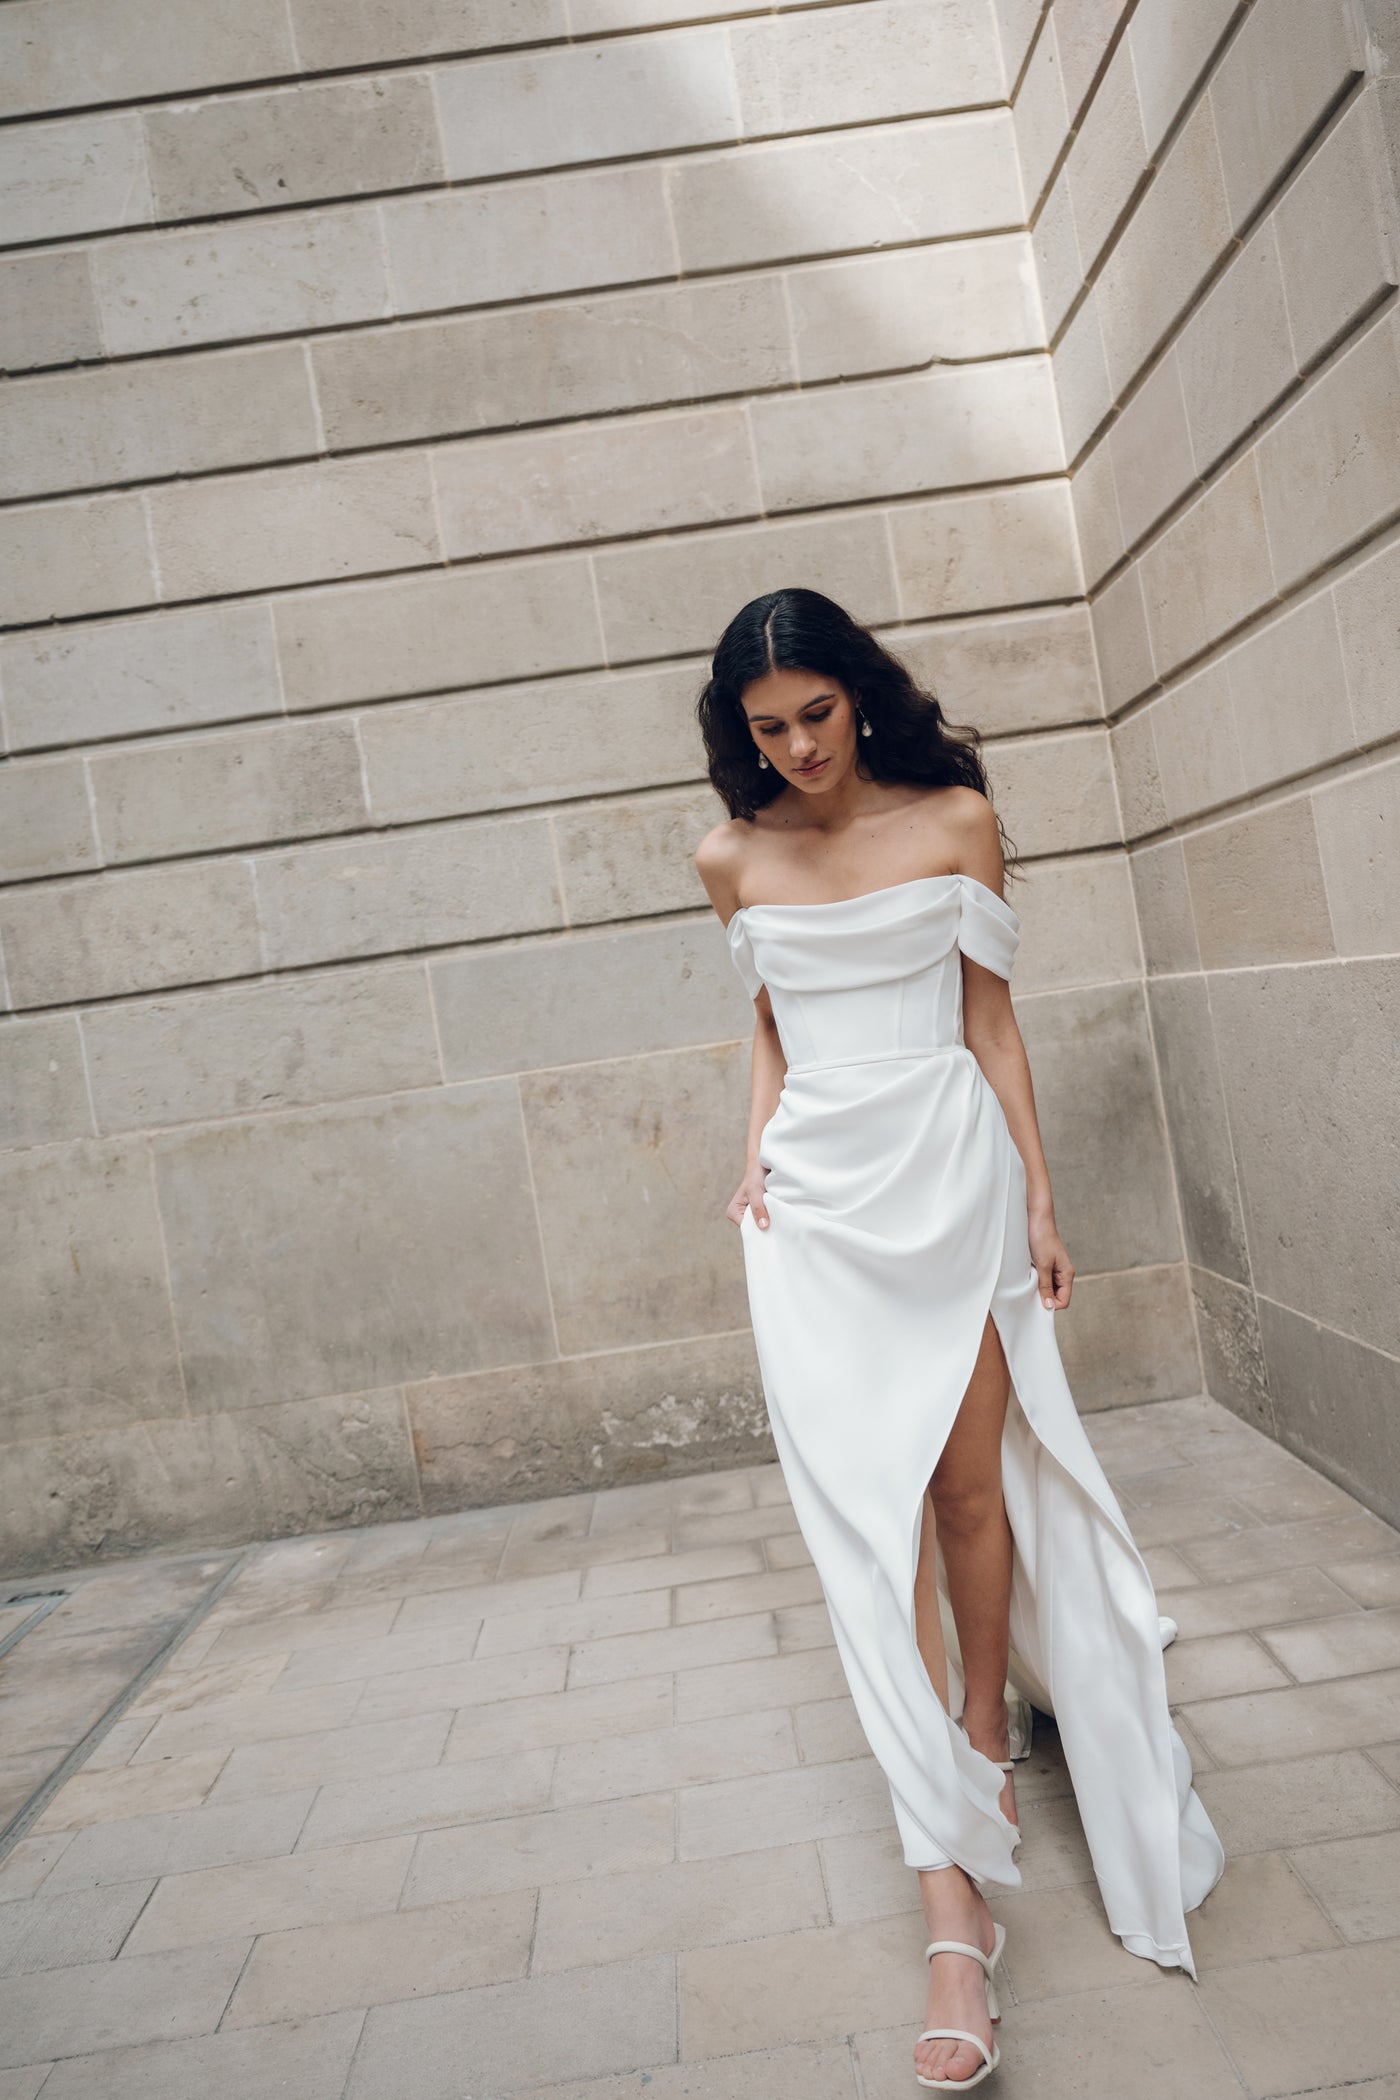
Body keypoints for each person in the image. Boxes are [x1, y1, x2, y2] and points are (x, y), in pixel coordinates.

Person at [693, 588, 1225, 2091]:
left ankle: (981, 1741)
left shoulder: (956, 821)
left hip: (952, 1178)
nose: (798, 746)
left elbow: (993, 1023)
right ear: (739, 736)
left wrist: (1042, 1202)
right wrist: (752, 1158)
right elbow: (772, 1024)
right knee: (867, 1534)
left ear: (859, 695)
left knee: (969, 1494)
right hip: (816, 1210)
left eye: (816, 712)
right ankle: (951, 1914)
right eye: (766, 727)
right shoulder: (728, 858)